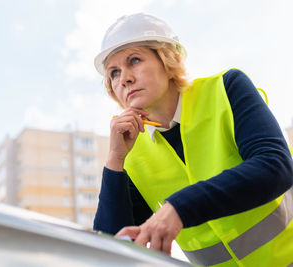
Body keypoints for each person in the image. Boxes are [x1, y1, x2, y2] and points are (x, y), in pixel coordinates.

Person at [93, 13, 293, 267]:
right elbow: (112, 249)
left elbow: (275, 167)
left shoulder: (226, 89)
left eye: (134, 60)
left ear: (167, 59)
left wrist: (178, 208)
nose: (124, 79)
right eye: (114, 73)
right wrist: (115, 160)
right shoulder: (132, 153)